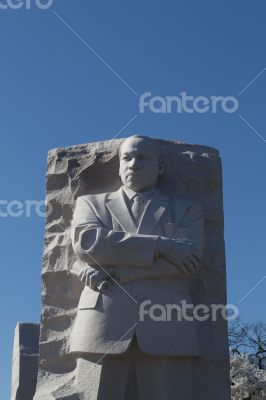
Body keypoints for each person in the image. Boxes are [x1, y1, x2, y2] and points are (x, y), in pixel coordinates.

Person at [70, 135, 204, 399]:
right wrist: (162, 246)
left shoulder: (187, 209)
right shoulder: (91, 204)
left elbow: (188, 261)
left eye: (142, 157)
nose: (133, 164)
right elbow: (88, 243)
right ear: (119, 166)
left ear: (160, 167)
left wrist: (119, 270)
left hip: (167, 322)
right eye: (127, 158)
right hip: (101, 320)